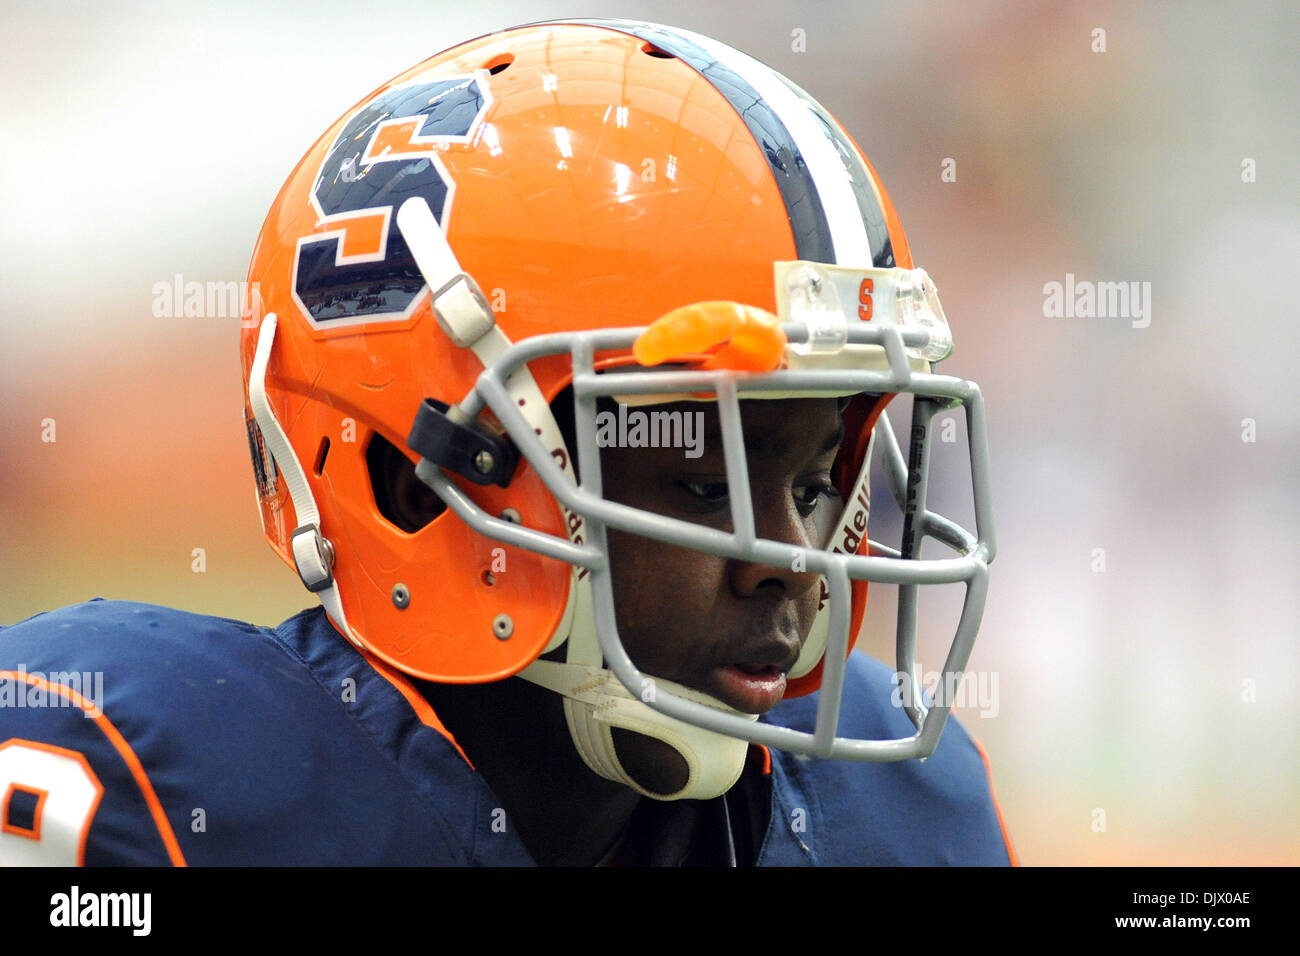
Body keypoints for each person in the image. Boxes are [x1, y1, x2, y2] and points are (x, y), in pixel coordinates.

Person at [0, 19, 1015, 866]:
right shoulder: (168, 793)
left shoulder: (887, 812)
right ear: (413, 479)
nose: (790, 566)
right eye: (705, 483)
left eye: (809, 478)